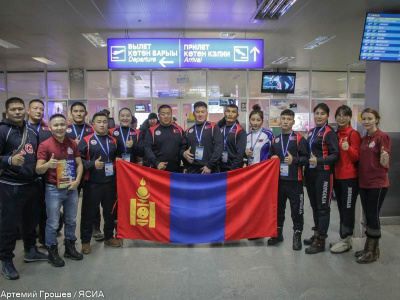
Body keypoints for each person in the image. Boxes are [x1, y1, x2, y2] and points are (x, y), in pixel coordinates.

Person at [0, 97, 47, 280]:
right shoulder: (3, 130)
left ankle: (30, 250)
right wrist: (9, 160)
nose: (17, 112)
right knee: (9, 225)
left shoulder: (32, 131)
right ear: (7, 112)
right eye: (13, 109)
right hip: (10, 186)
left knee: (31, 221)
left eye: (20, 108)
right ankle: (6, 260)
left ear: (25, 110)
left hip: (31, 184)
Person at [35, 114, 84, 267]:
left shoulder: (72, 143)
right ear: (50, 127)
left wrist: (77, 181)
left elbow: (79, 164)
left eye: (62, 124)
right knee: (53, 222)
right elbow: (38, 169)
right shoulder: (45, 145)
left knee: (71, 220)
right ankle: (52, 250)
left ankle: (70, 246)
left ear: (67, 126)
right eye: (55, 125)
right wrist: (48, 165)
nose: (59, 128)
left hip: (71, 188)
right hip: (53, 189)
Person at [78, 112, 121, 254]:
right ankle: (85, 241)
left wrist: (119, 163)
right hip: (92, 183)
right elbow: (78, 162)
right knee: (88, 214)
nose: (102, 124)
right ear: (93, 124)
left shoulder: (113, 140)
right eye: (99, 122)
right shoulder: (86, 140)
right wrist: (91, 165)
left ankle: (109, 236)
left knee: (110, 212)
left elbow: (116, 158)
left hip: (110, 182)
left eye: (104, 121)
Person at [269, 109, 309, 250]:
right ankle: (277, 233)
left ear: (293, 121)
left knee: (297, 210)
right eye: (283, 118)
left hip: (295, 181)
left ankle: (297, 235)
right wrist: (272, 158)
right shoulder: (275, 139)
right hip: (279, 181)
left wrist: (295, 160)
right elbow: (271, 157)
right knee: (278, 209)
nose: (285, 121)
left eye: (288, 119)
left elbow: (306, 159)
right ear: (280, 120)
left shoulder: (299, 139)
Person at [355, 108, 391, 264]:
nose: (366, 121)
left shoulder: (383, 137)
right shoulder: (364, 139)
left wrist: (384, 158)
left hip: (378, 183)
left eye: (369, 118)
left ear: (376, 119)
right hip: (364, 183)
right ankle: (370, 248)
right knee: (367, 216)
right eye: (364, 119)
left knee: (372, 216)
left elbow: (385, 163)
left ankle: (372, 250)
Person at [304, 103, 339, 254]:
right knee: (314, 205)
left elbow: (335, 155)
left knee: (323, 207)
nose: (319, 116)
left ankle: (321, 240)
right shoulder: (312, 132)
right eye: (317, 113)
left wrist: (320, 161)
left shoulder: (329, 132)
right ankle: (317, 233)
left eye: (322, 113)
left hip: (324, 174)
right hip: (311, 174)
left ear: (327, 116)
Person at [66, 102, 103, 241]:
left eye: (81, 111)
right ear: (71, 113)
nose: (79, 114)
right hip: (70, 171)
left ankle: (96, 228)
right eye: (76, 111)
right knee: (69, 203)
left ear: (86, 113)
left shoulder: (91, 128)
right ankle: (69, 233)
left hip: (88, 170)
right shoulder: (66, 129)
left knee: (91, 202)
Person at [330, 105, 361, 254]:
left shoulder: (353, 134)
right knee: (341, 209)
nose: (341, 118)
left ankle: (347, 240)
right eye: (339, 115)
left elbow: (356, 157)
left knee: (348, 209)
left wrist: (348, 149)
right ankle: (344, 238)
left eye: (345, 115)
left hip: (349, 178)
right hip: (337, 177)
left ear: (350, 117)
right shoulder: (335, 134)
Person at [26, 99, 53, 245]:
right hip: (26, 175)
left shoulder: (47, 129)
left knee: (45, 208)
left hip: (44, 174)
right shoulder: (22, 128)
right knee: (29, 211)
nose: (38, 111)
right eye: (35, 108)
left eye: (41, 109)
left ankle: (44, 238)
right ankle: (29, 244)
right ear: (28, 111)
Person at [182, 101, 223, 174]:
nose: (200, 114)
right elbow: (182, 148)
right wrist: (183, 153)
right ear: (194, 114)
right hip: (192, 169)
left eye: (203, 112)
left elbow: (219, 148)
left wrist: (210, 165)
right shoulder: (188, 131)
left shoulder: (213, 127)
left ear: (206, 113)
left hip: (210, 169)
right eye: (197, 112)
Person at [144, 105, 184, 173]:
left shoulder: (179, 130)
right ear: (158, 116)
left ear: (171, 115)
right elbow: (147, 149)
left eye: (168, 114)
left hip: (176, 170)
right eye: (163, 114)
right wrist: (157, 163)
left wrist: (185, 165)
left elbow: (183, 147)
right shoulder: (151, 131)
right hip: (158, 170)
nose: (166, 116)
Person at [219, 104, 246, 172]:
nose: (230, 114)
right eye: (228, 111)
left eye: (233, 112)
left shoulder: (240, 131)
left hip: (233, 169)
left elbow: (240, 154)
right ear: (224, 113)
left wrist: (232, 170)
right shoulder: (220, 130)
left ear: (237, 115)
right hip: (220, 168)